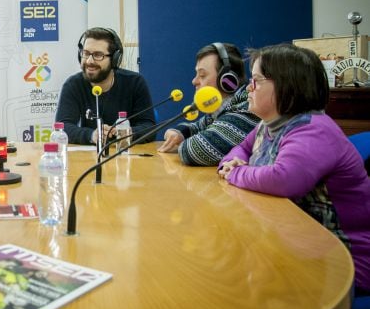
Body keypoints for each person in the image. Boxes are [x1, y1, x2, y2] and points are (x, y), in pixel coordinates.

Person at [218, 43, 370, 292]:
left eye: (256, 80)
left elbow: (284, 179)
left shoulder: (314, 129)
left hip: (345, 257)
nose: (248, 88)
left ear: (286, 85)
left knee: (240, 284)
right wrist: (231, 163)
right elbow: (240, 150)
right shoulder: (268, 126)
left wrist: (236, 172)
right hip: (300, 245)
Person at [157, 43, 260, 165]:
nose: (194, 81)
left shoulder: (247, 108)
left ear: (226, 80)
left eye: (202, 75)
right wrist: (178, 133)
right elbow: (196, 127)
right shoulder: (222, 110)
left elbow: (195, 150)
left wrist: (184, 142)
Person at [55, 27, 156, 145]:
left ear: (114, 59)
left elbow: (149, 127)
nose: (89, 61)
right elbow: (63, 127)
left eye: (98, 55)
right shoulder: (73, 85)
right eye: (86, 53)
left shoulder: (135, 82)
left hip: (128, 156)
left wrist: (125, 133)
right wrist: (92, 135)